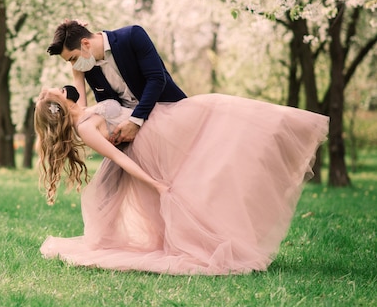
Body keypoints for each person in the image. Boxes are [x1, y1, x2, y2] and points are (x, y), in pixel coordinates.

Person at [34, 87, 329, 275]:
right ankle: (217, 240)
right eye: (56, 91)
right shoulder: (85, 128)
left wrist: (76, 40)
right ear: (57, 106)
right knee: (212, 149)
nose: (62, 87)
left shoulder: (84, 110)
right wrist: (155, 183)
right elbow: (120, 158)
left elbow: (79, 84)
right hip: (153, 143)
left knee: (222, 112)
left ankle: (292, 129)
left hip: (161, 123)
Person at [47, 20, 186, 146]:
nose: (74, 65)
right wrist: (78, 76)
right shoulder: (89, 67)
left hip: (169, 112)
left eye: (73, 58)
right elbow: (88, 110)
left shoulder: (132, 36)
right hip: (135, 137)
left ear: (86, 43)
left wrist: (135, 120)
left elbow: (156, 79)